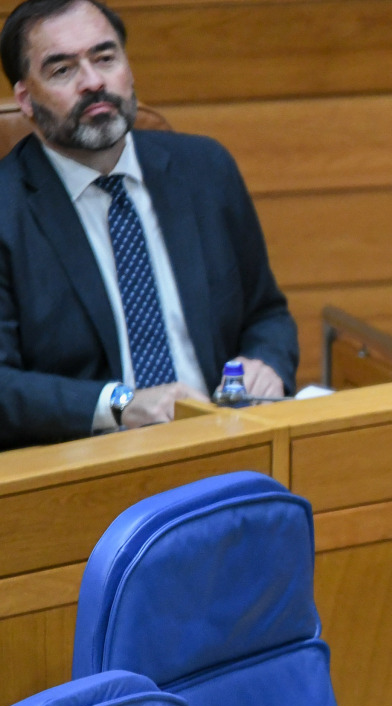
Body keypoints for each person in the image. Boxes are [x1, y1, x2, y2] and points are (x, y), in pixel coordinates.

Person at [0, 0, 298, 451]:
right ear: (25, 99)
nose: (94, 82)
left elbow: (266, 314)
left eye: (105, 58)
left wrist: (266, 363)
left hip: (227, 444)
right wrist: (119, 403)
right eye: (62, 70)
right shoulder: (7, 209)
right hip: (84, 467)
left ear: (129, 67)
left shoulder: (206, 169)